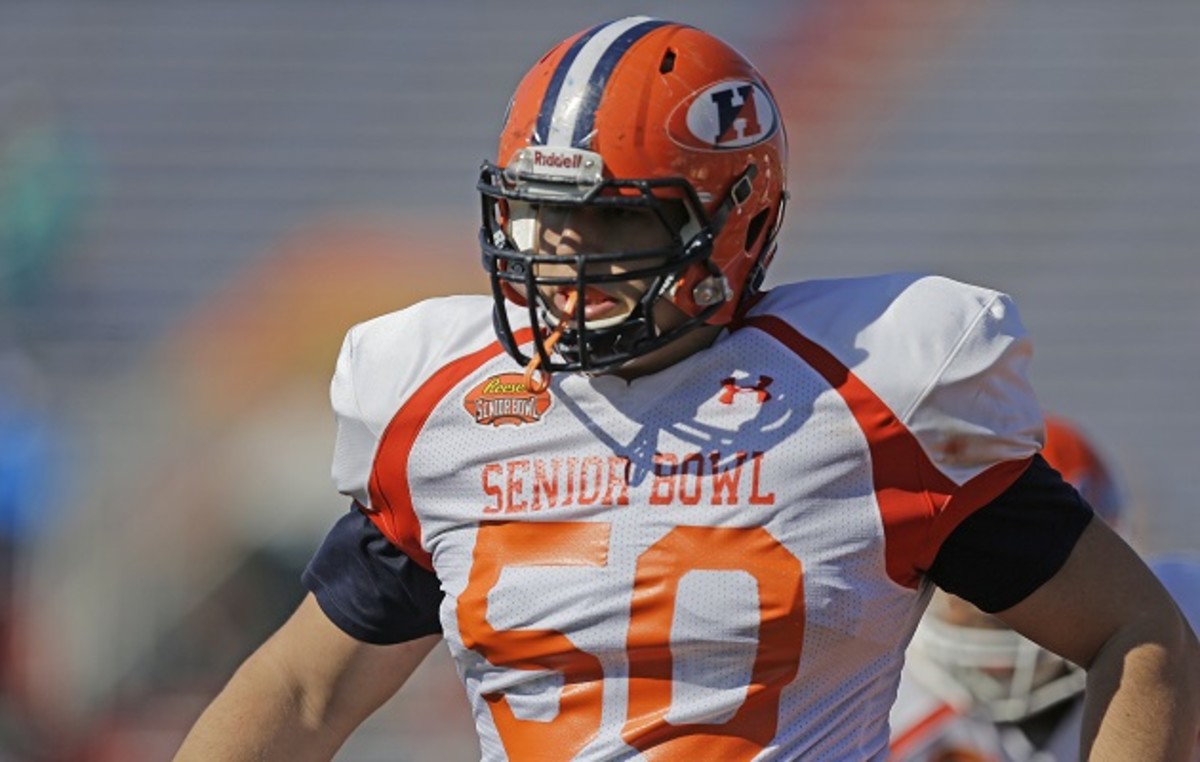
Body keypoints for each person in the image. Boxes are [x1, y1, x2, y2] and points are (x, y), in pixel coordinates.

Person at [174, 16, 1199, 761]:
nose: (563, 255)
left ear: (735, 222)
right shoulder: (450, 411)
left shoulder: (872, 395)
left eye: (615, 222)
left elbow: (1138, 632)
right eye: (543, 215)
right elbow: (302, 690)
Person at [890, 415, 1200, 761]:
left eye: (1039, 590)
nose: (1018, 618)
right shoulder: (882, 699)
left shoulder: (1179, 612)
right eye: (981, 603)